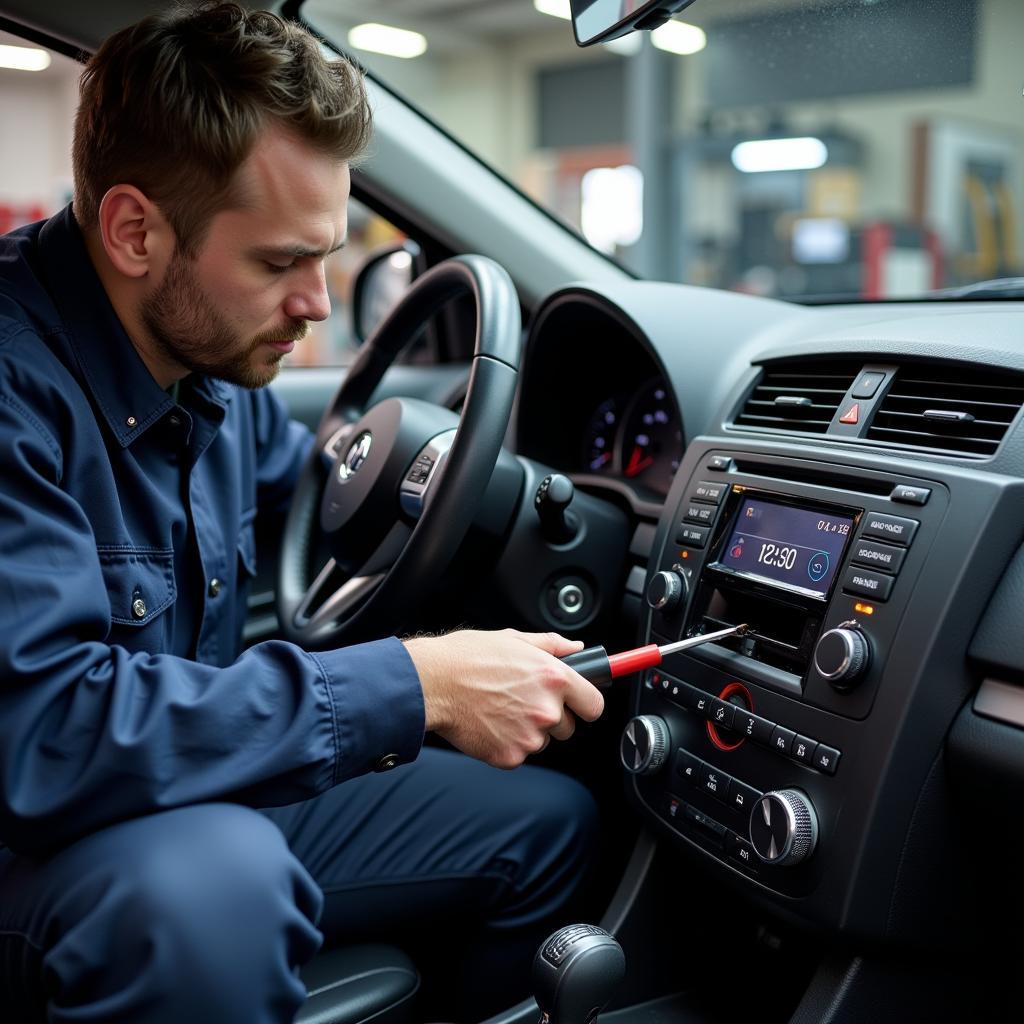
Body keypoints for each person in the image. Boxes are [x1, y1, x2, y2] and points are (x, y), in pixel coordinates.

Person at [0, 4, 605, 1021]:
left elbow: (322, 495)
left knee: (547, 822)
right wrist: (414, 684)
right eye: (280, 263)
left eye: (326, 258)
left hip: (165, 781)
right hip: (33, 830)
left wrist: (442, 495)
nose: (318, 303)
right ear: (136, 231)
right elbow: (46, 732)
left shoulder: (205, 361)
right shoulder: (19, 390)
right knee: (211, 887)